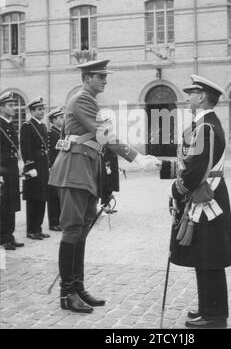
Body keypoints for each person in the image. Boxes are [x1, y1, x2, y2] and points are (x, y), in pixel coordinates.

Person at [49, 59, 160, 314]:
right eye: (100, 76)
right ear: (87, 78)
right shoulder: (82, 99)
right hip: (74, 171)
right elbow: (104, 136)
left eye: (105, 76)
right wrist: (137, 157)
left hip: (85, 171)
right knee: (73, 230)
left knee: (82, 230)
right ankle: (67, 293)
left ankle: (78, 287)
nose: (105, 80)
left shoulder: (88, 100)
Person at [160, 75, 231, 329]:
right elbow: (190, 163)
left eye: (191, 91)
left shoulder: (206, 127)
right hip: (203, 197)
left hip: (208, 199)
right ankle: (208, 307)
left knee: (210, 257)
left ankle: (215, 316)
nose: (187, 95)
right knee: (204, 255)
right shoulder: (203, 125)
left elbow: (195, 171)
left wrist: (176, 189)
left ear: (203, 96)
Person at [20, 97, 50, 240]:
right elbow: (25, 148)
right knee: (33, 198)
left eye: (43, 109)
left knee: (42, 197)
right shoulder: (27, 126)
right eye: (39, 109)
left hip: (43, 166)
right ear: (32, 111)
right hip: (34, 167)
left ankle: (38, 228)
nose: (42, 111)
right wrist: (30, 166)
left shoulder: (43, 126)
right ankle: (31, 230)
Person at [0, 92, 24, 250]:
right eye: (9, 105)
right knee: (3, 205)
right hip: (3, 171)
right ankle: (3, 237)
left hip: (12, 170)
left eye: (14, 105)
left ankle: (10, 235)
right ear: (1, 108)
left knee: (12, 202)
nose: (13, 108)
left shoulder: (9, 124)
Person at [46, 107, 64, 231]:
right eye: (61, 118)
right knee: (53, 196)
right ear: (54, 119)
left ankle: (59, 220)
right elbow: (49, 153)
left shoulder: (60, 133)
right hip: (54, 168)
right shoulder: (50, 133)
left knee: (60, 196)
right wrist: (51, 167)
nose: (63, 119)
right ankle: (53, 223)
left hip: (61, 168)